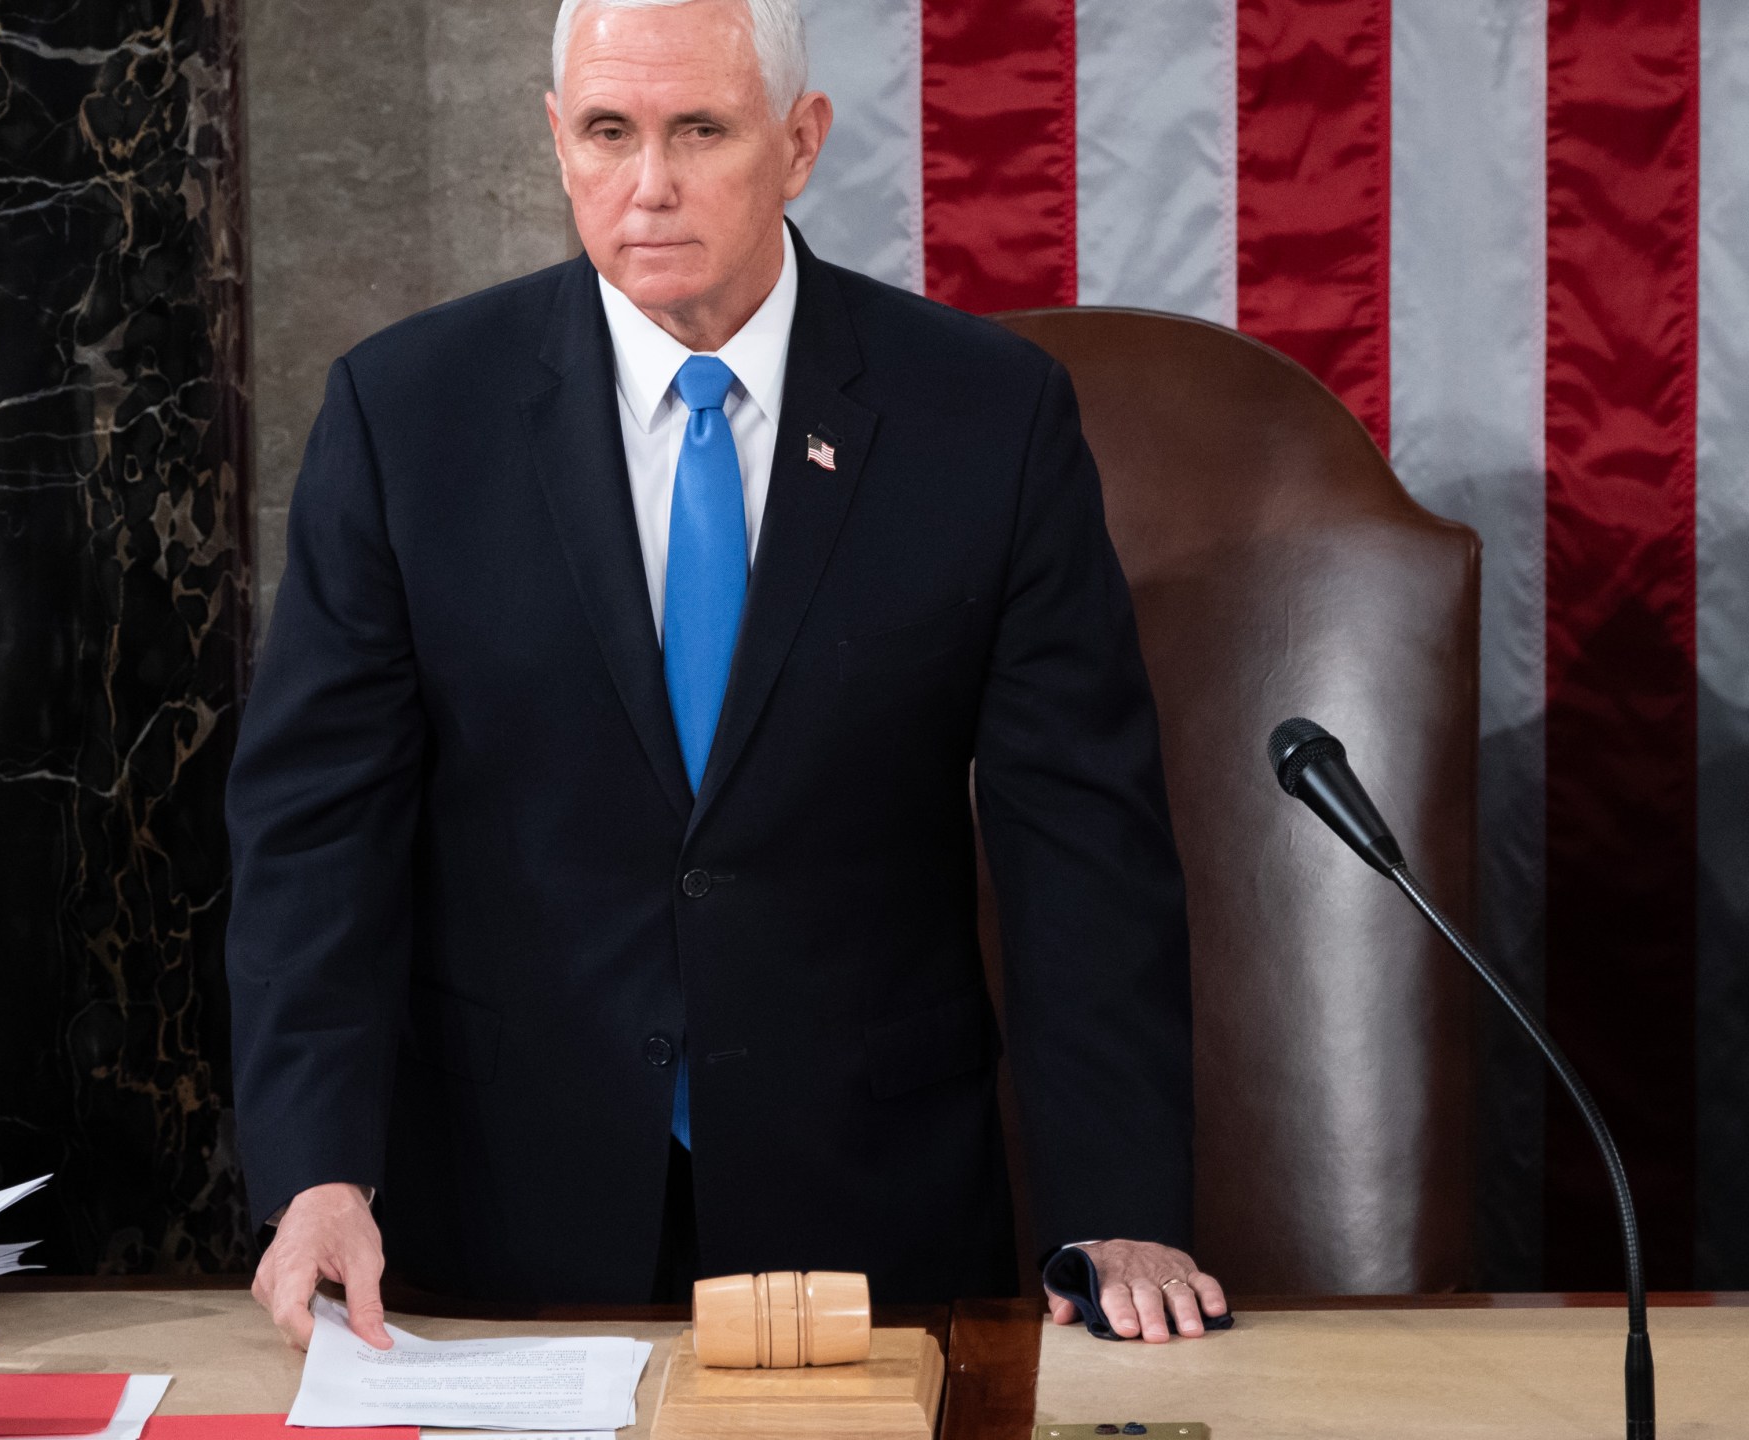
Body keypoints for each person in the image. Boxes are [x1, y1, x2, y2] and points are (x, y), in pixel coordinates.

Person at [228, 0, 1227, 1350]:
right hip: (500, 1225)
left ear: (800, 143)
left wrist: (1116, 1202)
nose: (650, 186)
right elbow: (316, 834)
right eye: (608, 132)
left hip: (875, 1221)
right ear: (556, 142)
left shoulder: (985, 418)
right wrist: (319, 1171)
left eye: (700, 130)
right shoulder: (408, 417)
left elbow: (1084, 845)